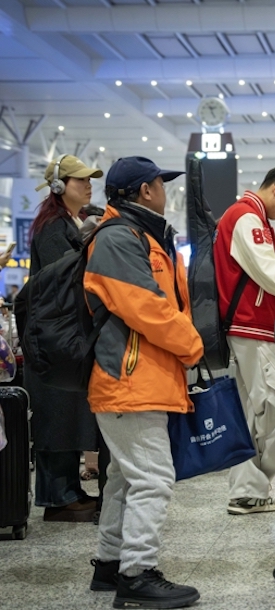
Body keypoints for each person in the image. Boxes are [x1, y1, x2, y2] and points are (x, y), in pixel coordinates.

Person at [84, 156, 203, 608]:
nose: (165, 191)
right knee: (152, 478)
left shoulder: (142, 234)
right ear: (145, 190)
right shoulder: (118, 238)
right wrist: (192, 345)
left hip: (139, 378)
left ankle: (110, 563)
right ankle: (136, 574)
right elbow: (146, 307)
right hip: (129, 380)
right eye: (160, 183)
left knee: (125, 478)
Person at [213, 164, 275, 516]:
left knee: (252, 412)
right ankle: (249, 490)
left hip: (247, 326)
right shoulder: (247, 217)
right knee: (271, 408)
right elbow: (270, 274)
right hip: (252, 325)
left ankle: (247, 491)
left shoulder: (247, 216)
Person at [26, 154, 103, 522]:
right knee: (56, 413)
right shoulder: (53, 226)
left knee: (66, 412)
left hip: (60, 332)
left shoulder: (68, 221)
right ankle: (58, 497)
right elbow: (64, 277)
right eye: (80, 180)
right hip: (52, 335)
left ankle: (67, 491)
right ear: (59, 186)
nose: (88, 185)